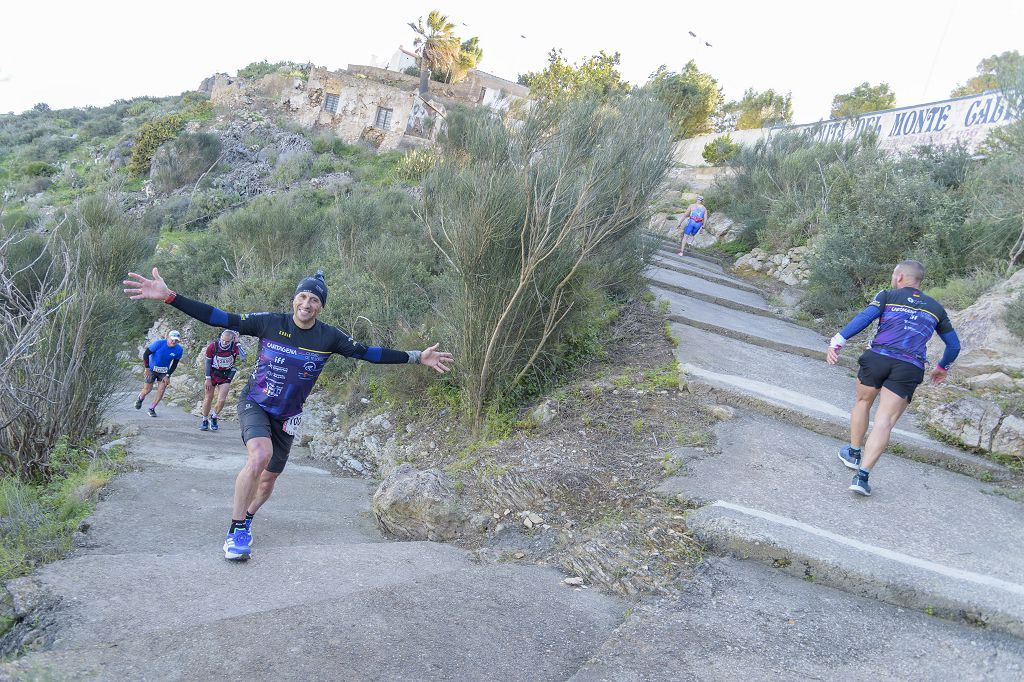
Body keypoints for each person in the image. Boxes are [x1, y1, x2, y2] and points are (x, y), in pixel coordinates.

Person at [123, 267, 453, 561]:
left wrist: (414, 356)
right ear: (295, 298)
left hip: (288, 416)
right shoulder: (270, 322)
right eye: (303, 297)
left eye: (314, 301)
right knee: (258, 456)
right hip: (256, 403)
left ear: (321, 306)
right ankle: (236, 531)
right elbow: (219, 317)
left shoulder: (329, 337)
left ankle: (248, 518)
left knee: (267, 483)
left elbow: (369, 353)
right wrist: (170, 298)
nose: (307, 305)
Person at [826, 260, 960, 496]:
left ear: (899, 277)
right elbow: (954, 346)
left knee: (863, 402)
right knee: (884, 421)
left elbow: (865, 317)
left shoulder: (888, 295)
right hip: (909, 366)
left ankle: (854, 452)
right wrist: (942, 367)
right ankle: (862, 477)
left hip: (878, 358)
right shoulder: (936, 308)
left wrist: (838, 340)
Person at [200, 329, 247, 432]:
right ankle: (204, 420)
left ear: (231, 340)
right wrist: (207, 378)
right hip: (212, 373)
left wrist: (237, 343)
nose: (224, 343)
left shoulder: (234, 347)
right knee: (208, 397)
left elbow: (244, 357)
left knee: (221, 400)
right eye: (223, 340)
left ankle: (214, 417)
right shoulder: (213, 346)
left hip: (225, 375)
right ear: (220, 337)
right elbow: (207, 363)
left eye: (227, 341)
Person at [134, 330, 184, 418]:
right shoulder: (158, 344)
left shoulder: (179, 349)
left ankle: (152, 408)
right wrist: (147, 368)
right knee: (147, 390)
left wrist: (168, 375)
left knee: (161, 389)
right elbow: (146, 354)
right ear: (167, 337)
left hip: (164, 371)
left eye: (176, 340)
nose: (174, 341)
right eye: (172, 339)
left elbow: (174, 364)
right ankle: (140, 398)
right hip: (152, 369)